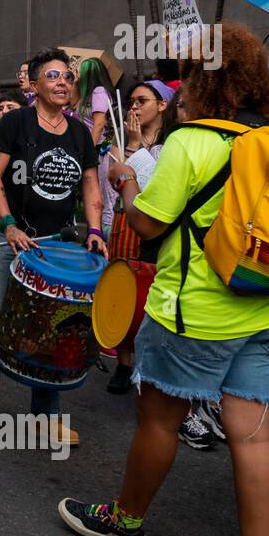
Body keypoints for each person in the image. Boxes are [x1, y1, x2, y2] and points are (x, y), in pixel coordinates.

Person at [60, 23, 269, 536]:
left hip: (196, 310)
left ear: (204, 81)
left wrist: (124, 180)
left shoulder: (193, 143)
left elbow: (147, 224)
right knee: (253, 433)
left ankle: (126, 522)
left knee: (158, 421)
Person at [0, 48, 105, 444]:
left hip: (57, 244)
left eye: (67, 77)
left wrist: (95, 230)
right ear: (34, 84)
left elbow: (91, 184)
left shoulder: (81, 132)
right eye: (53, 76)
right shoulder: (14, 123)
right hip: (4, 236)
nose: (62, 82)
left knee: (50, 325)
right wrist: (9, 225)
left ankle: (45, 416)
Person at [104, 80, 174, 399]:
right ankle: (123, 360)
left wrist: (137, 148)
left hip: (154, 225)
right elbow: (115, 181)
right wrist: (131, 145)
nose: (133, 107)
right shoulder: (119, 140)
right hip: (123, 221)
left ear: (162, 105)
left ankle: (149, 363)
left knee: (151, 294)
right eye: (130, 101)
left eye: (141, 100)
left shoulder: (174, 143)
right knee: (124, 291)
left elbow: (154, 186)